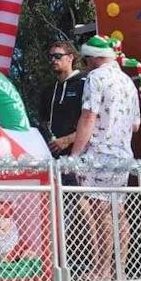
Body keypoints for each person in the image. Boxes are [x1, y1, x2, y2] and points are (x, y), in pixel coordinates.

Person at [68, 35, 141, 280]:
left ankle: (103, 269)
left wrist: (75, 154)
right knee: (118, 212)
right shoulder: (128, 82)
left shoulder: (96, 78)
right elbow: (136, 126)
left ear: (94, 58)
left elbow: (89, 117)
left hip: (100, 153)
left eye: (87, 59)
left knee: (100, 212)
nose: (86, 64)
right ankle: (119, 269)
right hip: (123, 153)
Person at [35, 41, 87, 182]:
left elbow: (93, 122)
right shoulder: (48, 91)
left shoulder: (85, 83)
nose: (53, 60)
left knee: (80, 200)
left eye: (58, 56)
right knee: (57, 201)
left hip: (80, 157)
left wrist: (67, 140)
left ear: (70, 57)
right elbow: (43, 122)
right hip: (52, 158)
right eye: (50, 57)